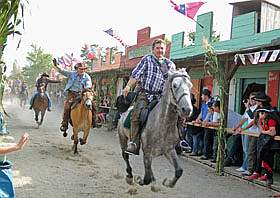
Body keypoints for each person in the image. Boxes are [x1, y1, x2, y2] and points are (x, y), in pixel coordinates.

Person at [123, 38, 176, 155]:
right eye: (157, 48)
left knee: (175, 114)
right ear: (153, 49)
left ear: (165, 50)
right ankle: (133, 142)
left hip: (161, 97)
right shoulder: (147, 59)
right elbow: (136, 75)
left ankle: (179, 141)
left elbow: (172, 82)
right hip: (145, 94)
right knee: (137, 115)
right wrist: (127, 86)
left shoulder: (170, 65)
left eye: (162, 48)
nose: (160, 50)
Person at [52, 59, 93, 132]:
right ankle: (64, 123)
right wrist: (56, 66)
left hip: (82, 93)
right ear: (77, 69)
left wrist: (87, 88)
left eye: (84, 69)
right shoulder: (71, 74)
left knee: (92, 104)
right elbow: (62, 71)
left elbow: (88, 84)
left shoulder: (87, 77)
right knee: (67, 106)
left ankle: (94, 121)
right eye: (80, 69)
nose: (82, 70)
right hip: (72, 94)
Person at [245, 106, 280, 186]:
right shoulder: (261, 120)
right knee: (264, 158)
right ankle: (268, 177)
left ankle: (269, 177)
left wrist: (265, 132)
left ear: (267, 113)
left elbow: (273, 132)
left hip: (275, 143)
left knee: (269, 159)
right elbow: (262, 131)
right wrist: (266, 131)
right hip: (266, 142)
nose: (260, 114)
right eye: (260, 113)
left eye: (262, 113)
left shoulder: (271, 120)